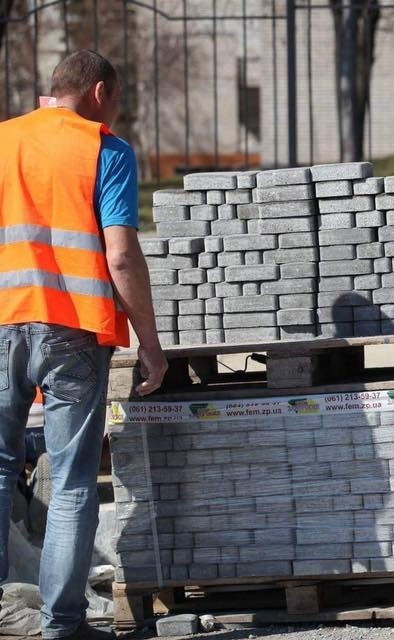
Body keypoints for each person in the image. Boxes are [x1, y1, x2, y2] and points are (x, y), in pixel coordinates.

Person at [0, 50, 168, 640]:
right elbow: (120, 254)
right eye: (116, 99)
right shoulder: (105, 149)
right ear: (99, 92)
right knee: (72, 480)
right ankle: (63, 624)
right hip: (71, 329)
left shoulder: (3, 140)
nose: (116, 111)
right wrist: (150, 343)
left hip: (2, 321)